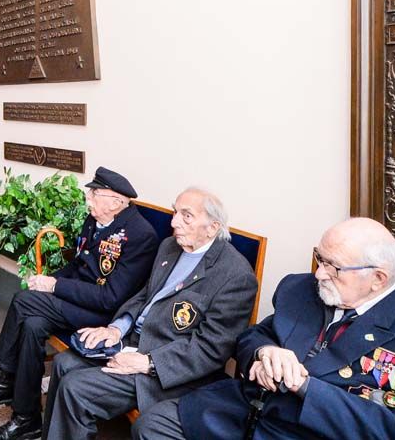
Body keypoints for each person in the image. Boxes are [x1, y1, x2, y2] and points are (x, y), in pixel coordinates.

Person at [151, 218, 395, 440]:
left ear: (377, 278)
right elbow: (254, 336)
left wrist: (307, 388)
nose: (319, 274)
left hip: (313, 432)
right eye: (320, 259)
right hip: (244, 414)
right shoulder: (301, 290)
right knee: (154, 424)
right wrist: (265, 354)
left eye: (332, 267)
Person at [43, 188, 258, 440]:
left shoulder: (235, 275)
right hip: (132, 342)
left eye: (186, 216)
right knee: (63, 364)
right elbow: (146, 294)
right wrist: (116, 328)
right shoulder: (170, 246)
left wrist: (148, 363)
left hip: (168, 366)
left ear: (212, 228)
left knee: (75, 388)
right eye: (175, 212)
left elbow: (209, 350)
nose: (174, 222)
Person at [0, 167, 160, 440]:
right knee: (32, 324)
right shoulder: (95, 220)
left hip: (104, 316)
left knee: (23, 301)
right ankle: (26, 418)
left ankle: (4, 377)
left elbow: (111, 297)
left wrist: (54, 286)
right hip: (79, 302)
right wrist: (48, 279)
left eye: (94, 194)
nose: (88, 199)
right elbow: (79, 265)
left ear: (116, 201)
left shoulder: (139, 235)